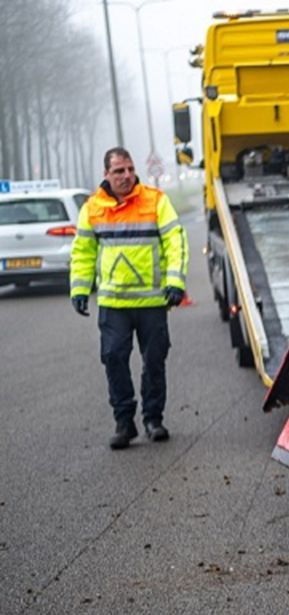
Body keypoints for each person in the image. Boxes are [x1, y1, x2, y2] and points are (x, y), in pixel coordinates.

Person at [70, 147, 189, 449]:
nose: (126, 176)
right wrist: (80, 290)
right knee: (113, 358)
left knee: (154, 361)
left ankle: (153, 419)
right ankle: (124, 422)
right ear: (106, 175)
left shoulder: (156, 201)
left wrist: (175, 282)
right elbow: (83, 253)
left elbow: (176, 241)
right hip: (114, 305)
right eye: (119, 171)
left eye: (130, 169)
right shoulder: (92, 208)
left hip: (152, 302)